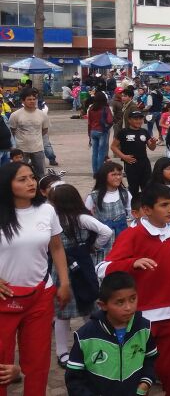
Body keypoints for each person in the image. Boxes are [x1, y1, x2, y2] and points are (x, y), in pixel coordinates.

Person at [96, 184, 170, 396]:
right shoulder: (133, 235)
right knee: (136, 369)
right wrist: (132, 263)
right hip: (140, 316)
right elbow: (102, 268)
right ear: (146, 210)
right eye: (164, 205)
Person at [0, 162, 72, 396]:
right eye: (22, 179)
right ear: (7, 184)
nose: (31, 183)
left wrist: (64, 281)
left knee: (38, 361)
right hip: (5, 298)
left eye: (32, 177)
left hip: (41, 295)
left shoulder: (47, 210)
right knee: (2, 363)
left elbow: (57, 247)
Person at [48, 184, 114, 368]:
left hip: (77, 267)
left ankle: (85, 346)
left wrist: (91, 247)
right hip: (66, 267)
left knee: (85, 305)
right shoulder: (56, 219)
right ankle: (66, 350)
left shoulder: (80, 218)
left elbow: (106, 232)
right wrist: (90, 247)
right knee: (65, 310)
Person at [64, 272, 157, 396]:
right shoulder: (85, 337)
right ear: (103, 305)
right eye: (120, 302)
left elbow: (150, 359)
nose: (129, 307)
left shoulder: (144, 328)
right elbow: (74, 380)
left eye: (133, 299)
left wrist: (145, 383)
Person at [111, 110, 158, 200]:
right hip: (131, 164)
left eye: (140, 118)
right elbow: (113, 147)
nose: (138, 121)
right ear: (129, 120)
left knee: (147, 187)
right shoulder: (123, 132)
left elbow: (152, 148)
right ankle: (134, 207)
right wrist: (124, 157)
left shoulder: (144, 131)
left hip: (145, 163)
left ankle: (146, 206)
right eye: (135, 119)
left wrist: (153, 143)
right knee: (133, 187)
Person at [8, 88, 49, 179]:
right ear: (23, 101)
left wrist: (35, 137)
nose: (32, 101)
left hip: (38, 148)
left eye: (34, 99)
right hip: (21, 149)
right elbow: (12, 130)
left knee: (41, 174)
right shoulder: (15, 115)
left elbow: (45, 130)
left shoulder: (42, 115)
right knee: (20, 173)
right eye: (29, 99)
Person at [85, 91, 115, 175]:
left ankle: (95, 172)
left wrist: (89, 134)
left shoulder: (91, 108)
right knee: (101, 153)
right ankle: (100, 172)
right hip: (102, 131)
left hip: (93, 131)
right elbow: (110, 120)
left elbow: (89, 122)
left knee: (94, 153)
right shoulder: (106, 108)